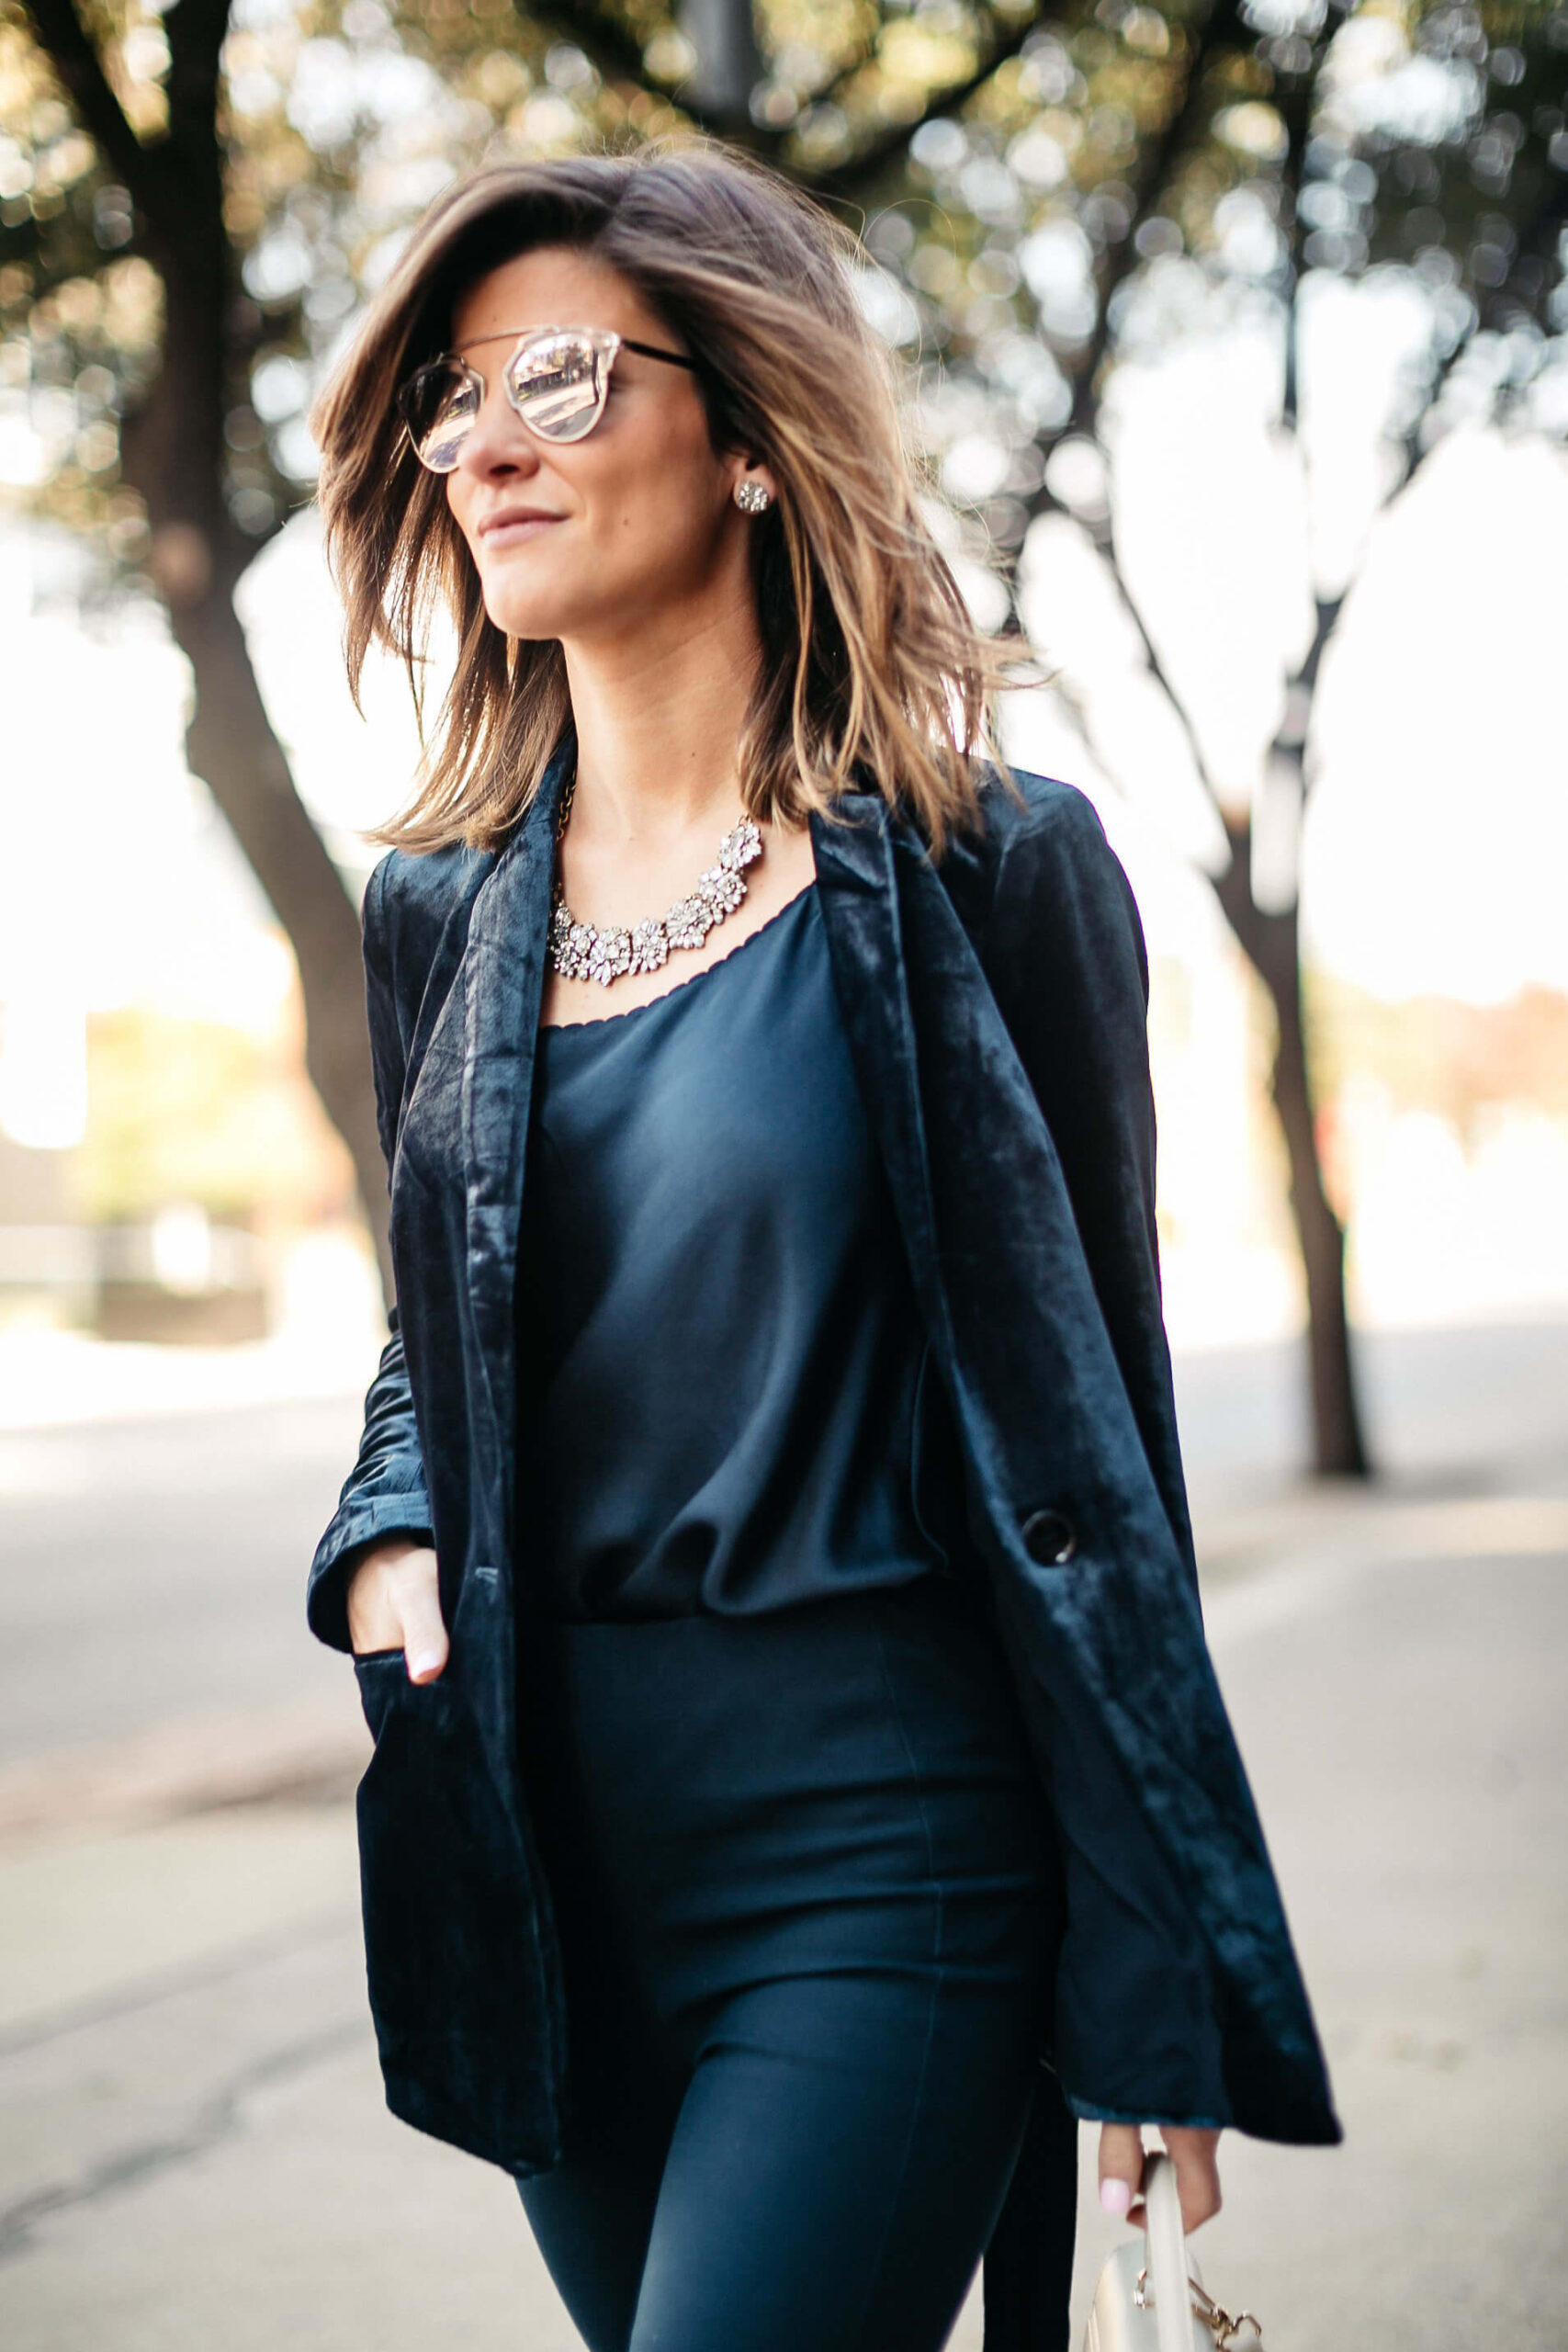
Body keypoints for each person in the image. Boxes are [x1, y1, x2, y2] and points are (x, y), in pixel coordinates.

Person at [306, 138, 1338, 2352]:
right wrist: (387, 1529)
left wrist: (1155, 1967)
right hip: (544, 1849)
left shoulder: (989, 875)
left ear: (756, 437)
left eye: (563, 379)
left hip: (885, 1839)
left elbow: (1099, 1435)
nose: (483, 442)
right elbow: (435, 1337)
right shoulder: (440, 915)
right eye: (452, 401)